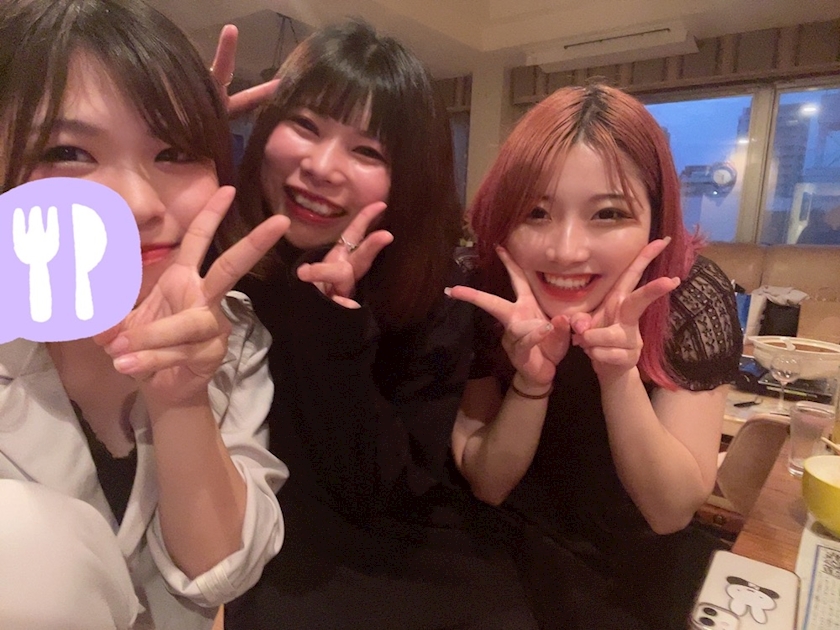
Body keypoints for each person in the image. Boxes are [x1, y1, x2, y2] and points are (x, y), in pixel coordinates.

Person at [218, 20, 537, 629]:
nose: (322, 166)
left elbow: (384, 491)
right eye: (305, 126)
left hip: (405, 552)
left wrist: (335, 331)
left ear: (406, 179)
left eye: (367, 152)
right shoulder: (214, 255)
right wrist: (182, 147)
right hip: (270, 552)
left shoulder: (437, 293)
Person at [0, 1, 289, 628]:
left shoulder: (231, 331)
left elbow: (220, 573)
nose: (136, 203)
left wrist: (181, 400)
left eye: (176, 152)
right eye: (68, 152)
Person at [447, 84, 743, 630]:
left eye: (608, 214)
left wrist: (618, 375)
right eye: (535, 212)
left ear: (657, 220)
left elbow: (670, 510)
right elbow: (488, 484)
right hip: (499, 564)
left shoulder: (688, 296)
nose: (565, 250)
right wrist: (531, 383)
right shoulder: (488, 291)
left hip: (633, 575)